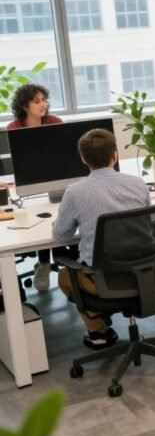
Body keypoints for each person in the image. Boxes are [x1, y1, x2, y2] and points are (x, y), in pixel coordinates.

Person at [54, 129, 150, 350]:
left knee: (64, 276)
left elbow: (60, 236)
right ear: (115, 155)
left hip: (104, 281)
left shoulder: (75, 192)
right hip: (144, 273)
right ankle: (101, 315)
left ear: (83, 159)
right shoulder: (138, 183)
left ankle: (99, 331)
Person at [8, 83, 65, 290]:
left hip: (57, 177)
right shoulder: (14, 128)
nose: (43, 104)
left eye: (44, 100)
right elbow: (19, 161)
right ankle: (43, 263)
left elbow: (64, 154)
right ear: (25, 105)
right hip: (30, 181)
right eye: (37, 101)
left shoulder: (55, 122)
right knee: (39, 218)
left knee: (62, 213)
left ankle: (66, 260)